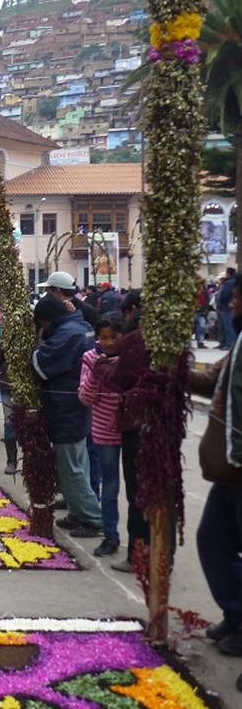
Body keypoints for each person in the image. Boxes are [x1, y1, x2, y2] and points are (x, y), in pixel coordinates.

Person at [193, 278, 242, 663]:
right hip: (228, 470)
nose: (232, 302)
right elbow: (214, 384)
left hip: (239, 466)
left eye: (237, 296)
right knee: (212, 540)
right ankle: (235, 612)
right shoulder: (238, 344)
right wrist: (176, 371)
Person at [31, 294, 102, 538]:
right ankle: (77, 512)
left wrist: (35, 345)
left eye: (42, 325)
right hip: (73, 406)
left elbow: (40, 364)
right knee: (76, 464)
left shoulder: (67, 335)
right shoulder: (79, 325)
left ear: (47, 320)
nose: (42, 329)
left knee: (72, 468)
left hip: (67, 408)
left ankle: (92, 518)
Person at [95, 290, 152, 572]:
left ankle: (140, 555)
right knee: (149, 491)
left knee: (137, 492)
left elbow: (121, 380)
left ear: (131, 310)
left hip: (136, 425)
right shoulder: (162, 337)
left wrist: (102, 365)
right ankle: (158, 554)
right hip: (152, 424)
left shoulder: (135, 340)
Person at [78, 314, 126, 557]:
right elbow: (86, 398)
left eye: (113, 338)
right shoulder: (90, 358)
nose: (107, 343)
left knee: (137, 488)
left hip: (130, 432)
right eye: (103, 337)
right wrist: (98, 373)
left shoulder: (131, 359)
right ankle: (110, 535)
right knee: (109, 486)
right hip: (104, 431)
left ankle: (140, 540)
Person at [0, 342, 17, 474]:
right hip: (7, 383)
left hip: (28, 384)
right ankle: (11, 461)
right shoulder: (6, 332)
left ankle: (31, 463)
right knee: (9, 422)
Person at [217, 269, 237, 350]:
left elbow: (225, 294)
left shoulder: (229, 283)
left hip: (226, 308)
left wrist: (222, 302)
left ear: (229, 274)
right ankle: (224, 342)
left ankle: (229, 344)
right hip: (224, 307)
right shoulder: (230, 282)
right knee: (223, 326)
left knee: (228, 326)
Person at [196, 279, 211, 349]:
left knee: (201, 327)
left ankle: (200, 342)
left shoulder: (205, 292)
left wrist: (206, 309)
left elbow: (208, 300)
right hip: (195, 311)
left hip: (201, 312)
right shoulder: (194, 291)